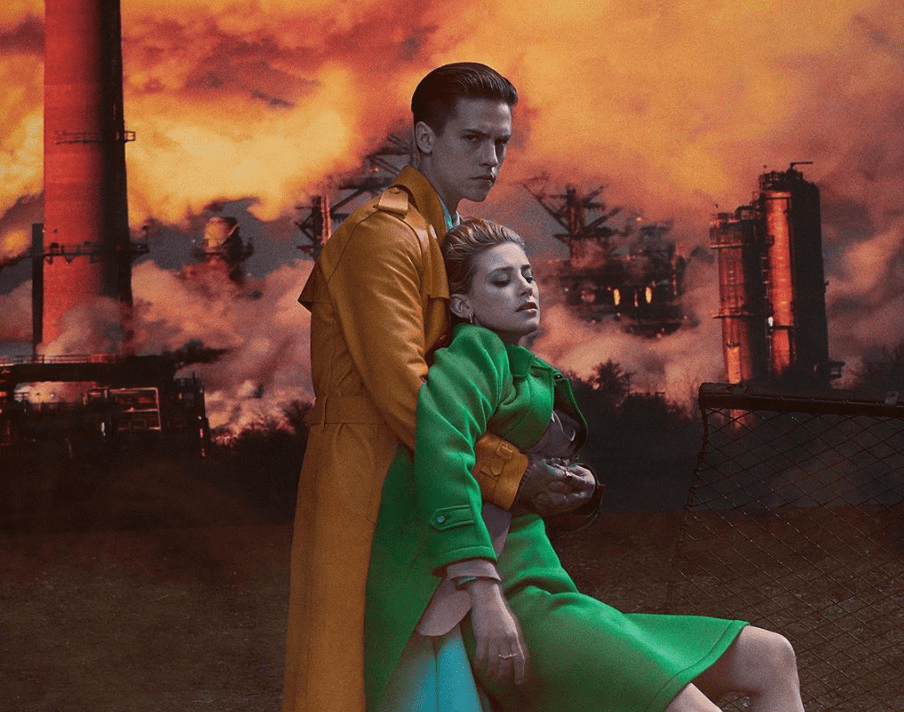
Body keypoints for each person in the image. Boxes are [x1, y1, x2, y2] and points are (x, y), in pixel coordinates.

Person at [365, 219, 806, 712]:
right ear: (464, 305)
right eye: (501, 280)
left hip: (553, 594)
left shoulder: (520, 366)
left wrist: (571, 485)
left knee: (772, 656)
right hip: (510, 606)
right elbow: (443, 460)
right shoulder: (474, 352)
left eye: (527, 275)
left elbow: (517, 489)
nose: (524, 288)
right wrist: (487, 600)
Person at [284, 63, 597, 712]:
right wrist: (515, 474)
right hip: (372, 483)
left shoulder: (445, 236)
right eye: (472, 139)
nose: (491, 159)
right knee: (373, 672)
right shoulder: (384, 236)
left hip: (426, 478)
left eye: (501, 142)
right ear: (425, 138)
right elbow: (408, 395)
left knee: (440, 671)